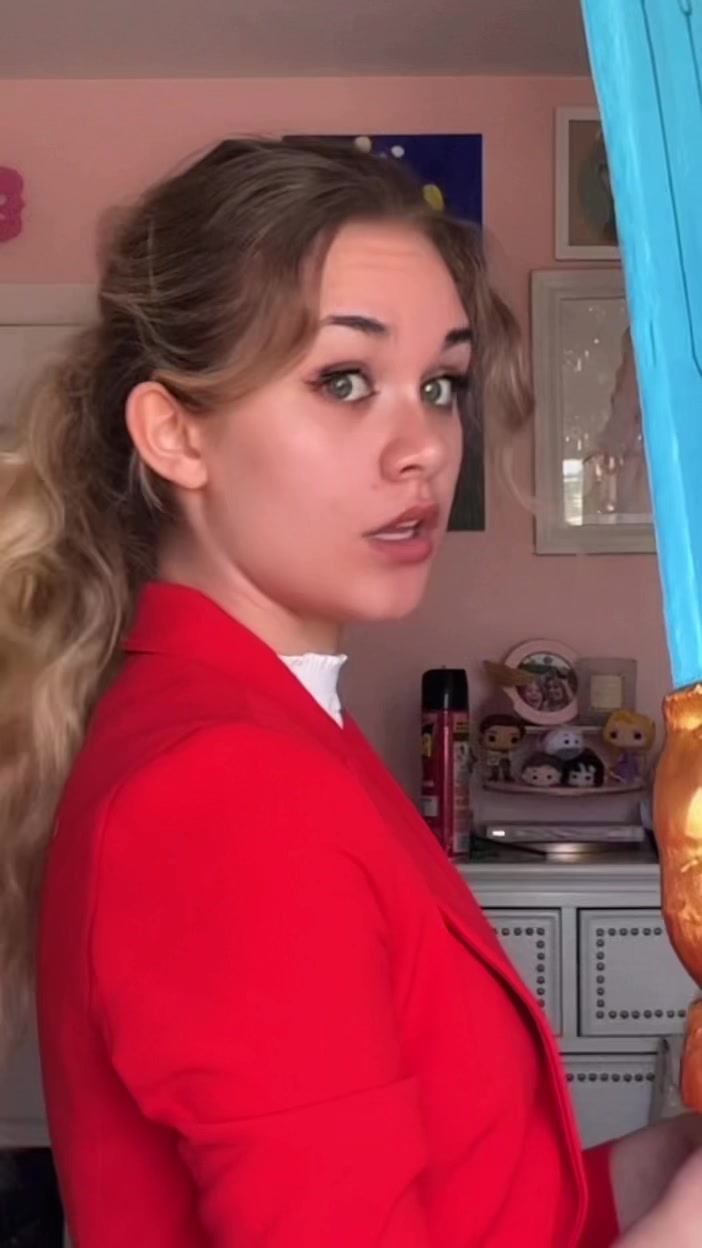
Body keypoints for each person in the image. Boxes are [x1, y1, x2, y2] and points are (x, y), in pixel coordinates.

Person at [0, 137, 699, 1248]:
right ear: (176, 434)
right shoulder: (224, 790)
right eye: (344, 381)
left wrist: (673, 1166)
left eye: (440, 385)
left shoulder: (278, 731)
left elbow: (480, 1207)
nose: (423, 448)